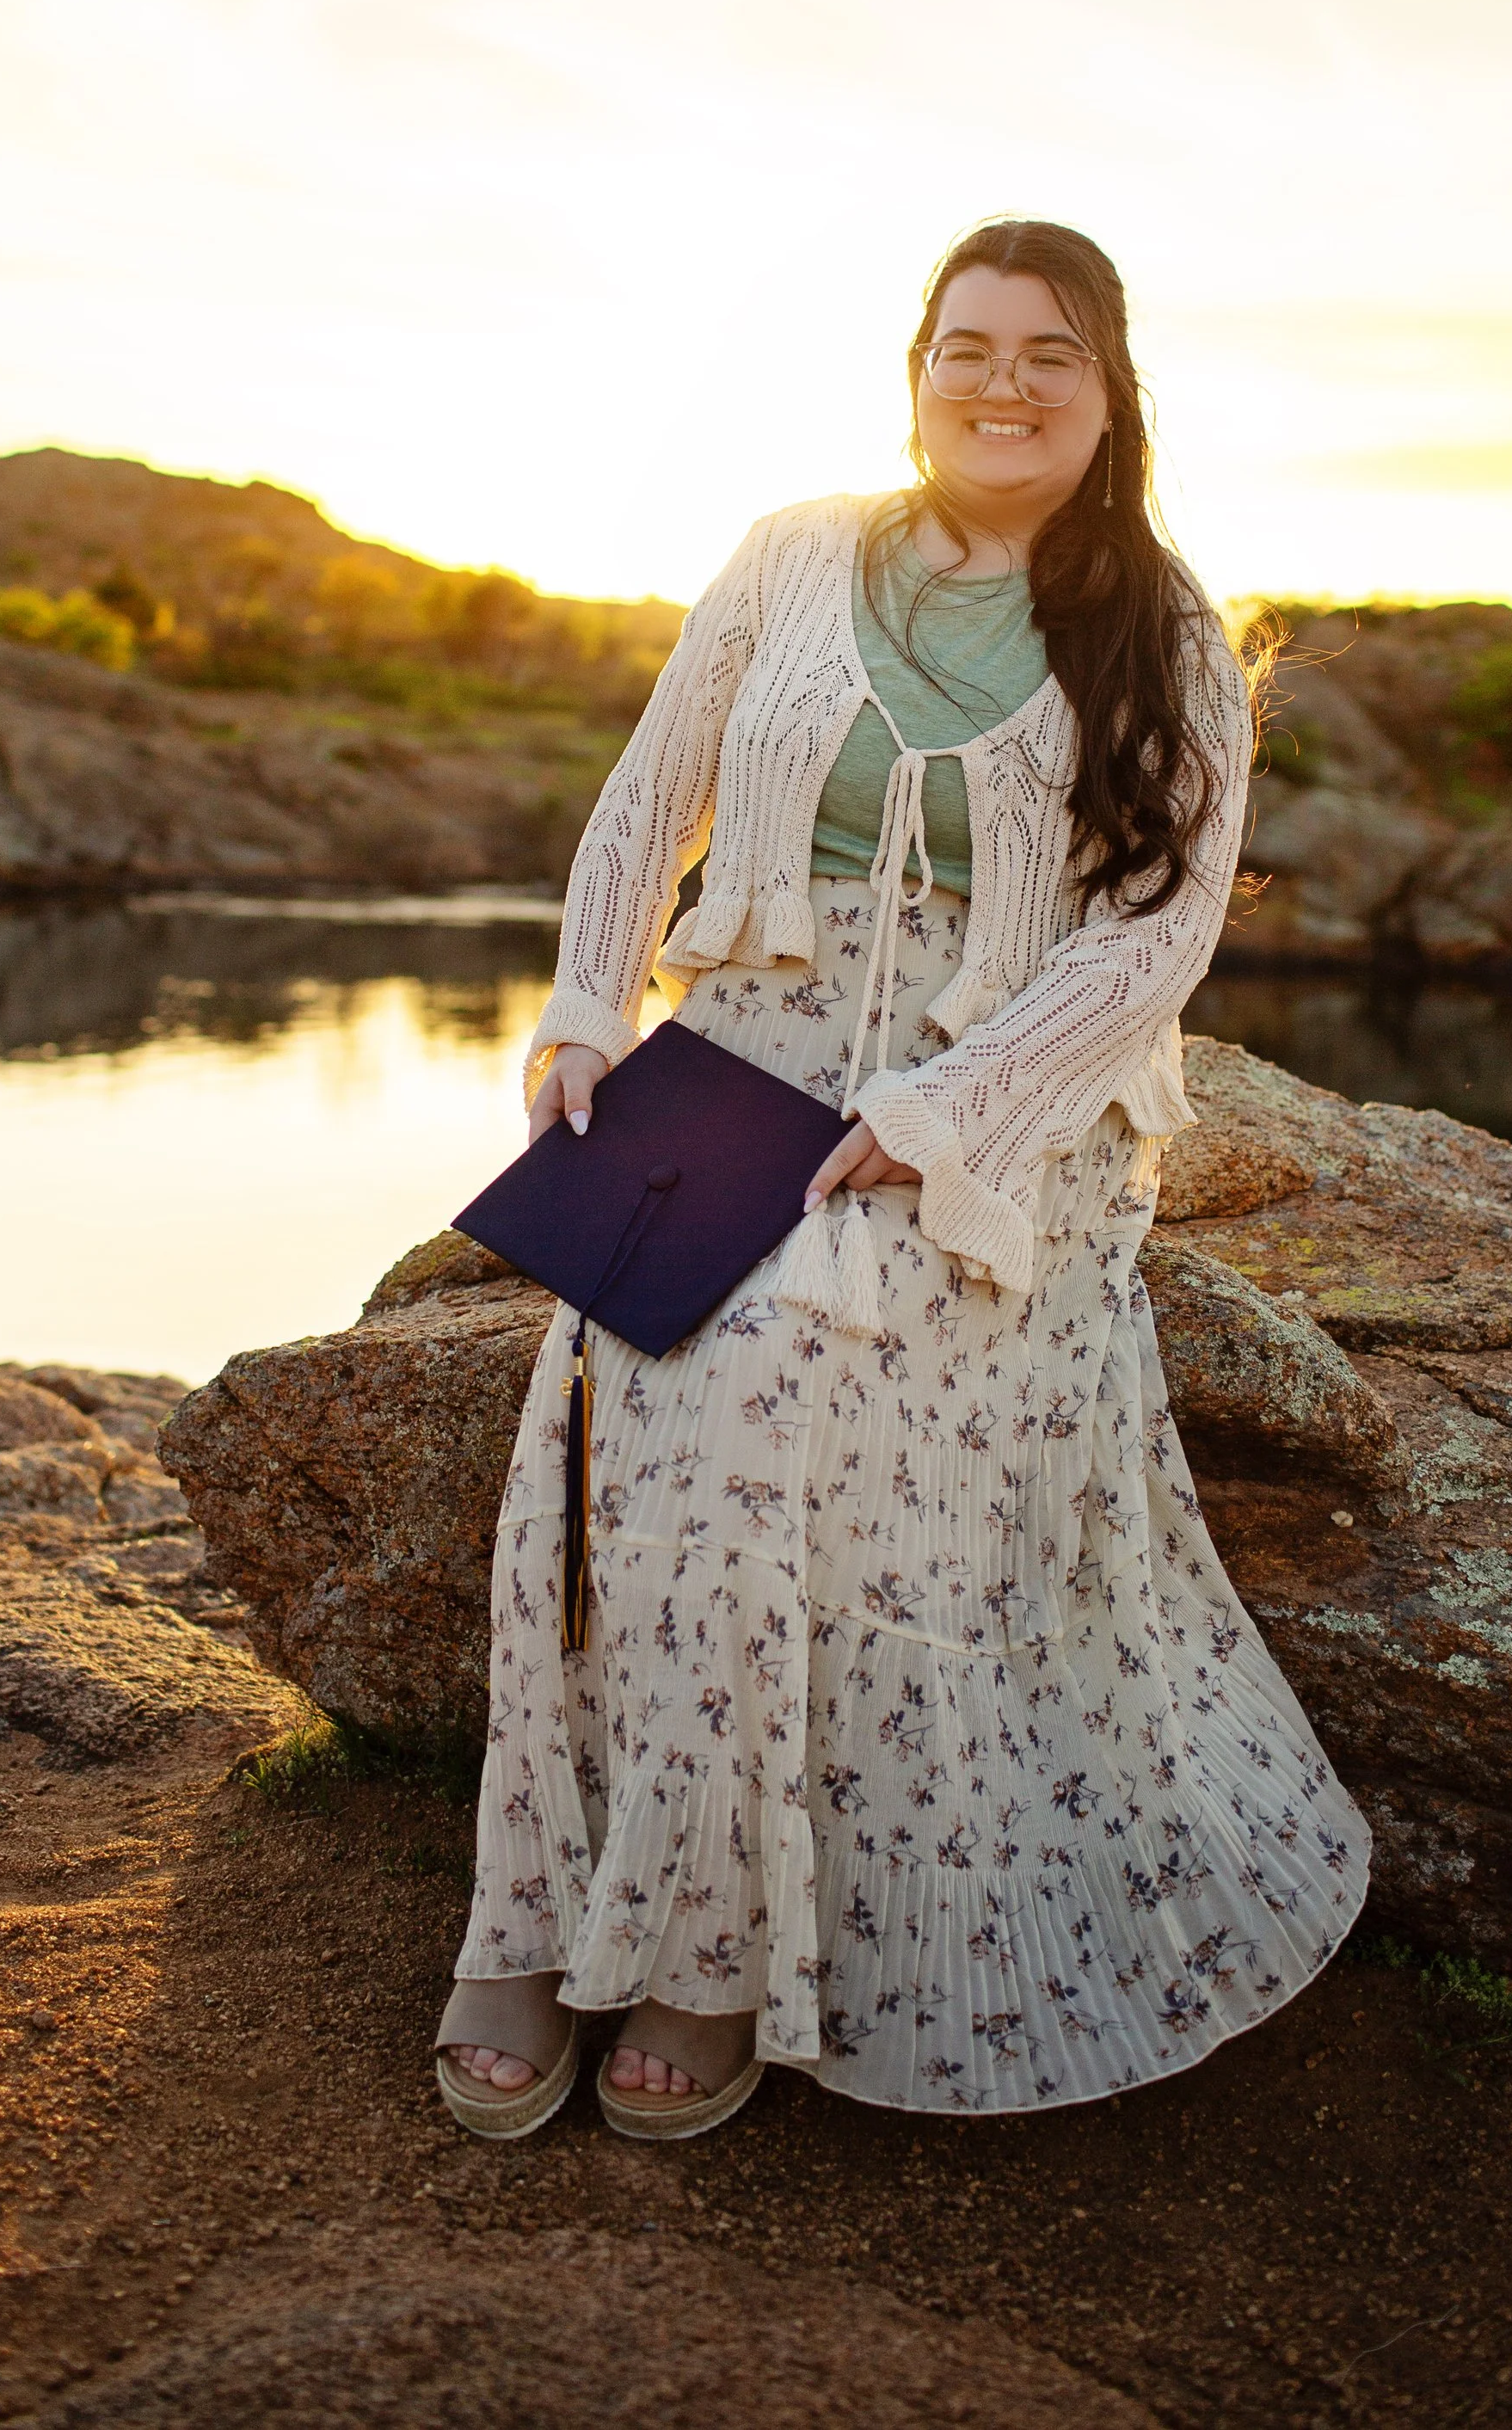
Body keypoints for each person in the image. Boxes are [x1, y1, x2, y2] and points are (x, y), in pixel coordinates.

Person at [434, 218, 1368, 2141]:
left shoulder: (1166, 630)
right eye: (966, 346)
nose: (1000, 384)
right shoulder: (792, 554)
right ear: (912, 367)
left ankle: (699, 1955)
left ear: (1107, 393)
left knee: (772, 1364)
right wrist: (585, 1007)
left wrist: (955, 1109)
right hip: (743, 1056)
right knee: (599, 1394)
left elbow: (1158, 932)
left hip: (1004, 1103)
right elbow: (649, 791)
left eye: (1047, 353)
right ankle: (531, 1908)